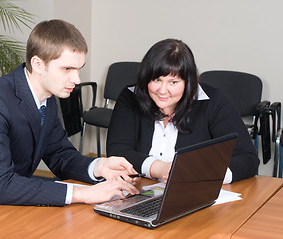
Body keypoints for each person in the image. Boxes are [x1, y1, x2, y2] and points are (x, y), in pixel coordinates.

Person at [0, 19, 140, 239]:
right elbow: (0, 185)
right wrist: (84, 193)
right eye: (67, 68)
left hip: (7, 211)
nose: (76, 80)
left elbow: (60, 156)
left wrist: (99, 166)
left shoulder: (47, 98)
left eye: (78, 69)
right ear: (38, 64)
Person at [106, 38, 260, 184]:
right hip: (138, 189)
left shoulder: (214, 101)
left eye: (173, 82)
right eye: (156, 80)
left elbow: (247, 158)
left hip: (192, 193)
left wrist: (203, 175)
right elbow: (118, 152)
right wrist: (160, 169)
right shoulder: (131, 96)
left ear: (188, 82)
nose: (162, 90)